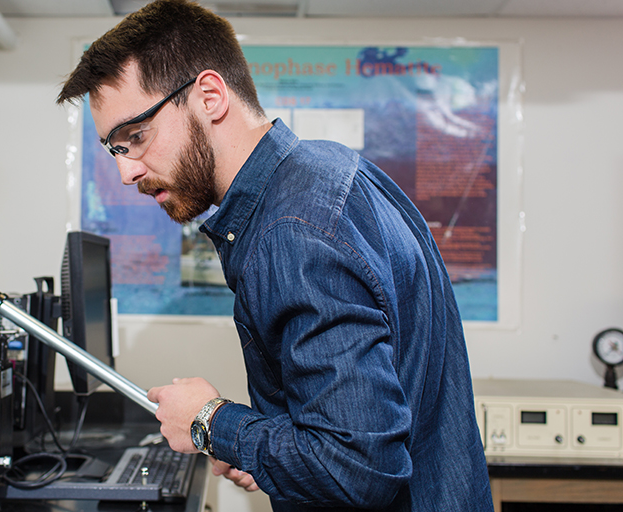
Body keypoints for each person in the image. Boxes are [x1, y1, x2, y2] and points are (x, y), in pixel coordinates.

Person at [57, 1, 494, 510]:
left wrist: (210, 421)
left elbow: (359, 468)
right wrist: (261, 446)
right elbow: (358, 419)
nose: (127, 172)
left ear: (211, 96)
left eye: (136, 136)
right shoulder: (328, 169)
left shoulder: (292, 232)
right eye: (117, 149)